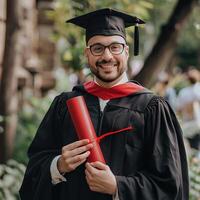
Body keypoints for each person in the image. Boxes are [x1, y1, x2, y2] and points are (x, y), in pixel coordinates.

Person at [19, 8, 189, 200]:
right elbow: (34, 168)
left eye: (115, 47)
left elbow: (170, 186)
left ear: (126, 52)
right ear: (87, 54)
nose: (107, 56)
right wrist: (57, 166)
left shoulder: (152, 108)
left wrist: (118, 187)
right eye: (97, 48)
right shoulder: (64, 105)